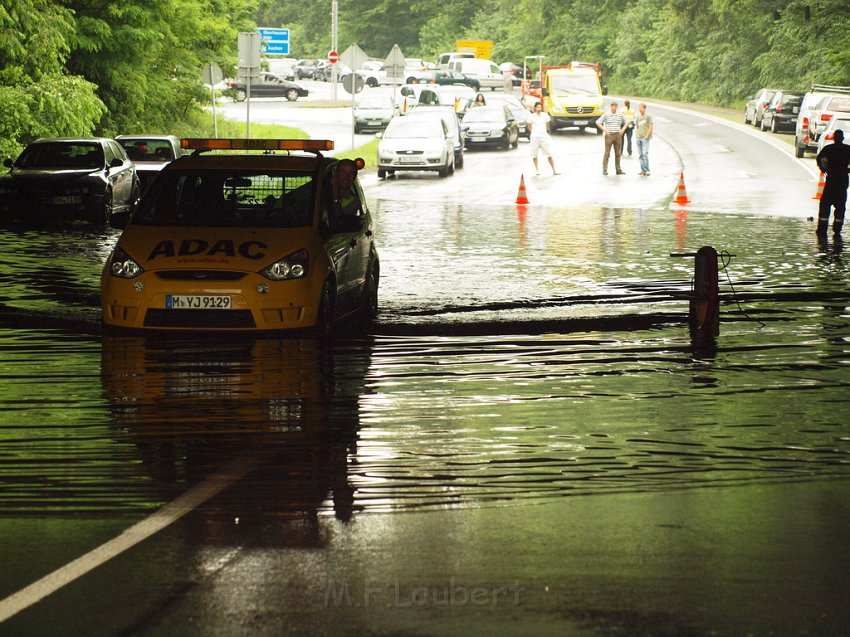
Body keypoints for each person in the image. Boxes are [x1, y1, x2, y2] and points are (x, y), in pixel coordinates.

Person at [815, 128, 850, 235]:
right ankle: (837, 229)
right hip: (843, 180)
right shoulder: (848, 149)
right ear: (843, 138)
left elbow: (819, 159)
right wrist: (847, 170)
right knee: (840, 205)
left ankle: (822, 228)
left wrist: (824, 169)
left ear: (834, 138)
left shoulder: (828, 149)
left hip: (831, 179)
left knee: (825, 203)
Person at [596, 101, 627, 175]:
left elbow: (627, 121)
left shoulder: (620, 115)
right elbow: (597, 122)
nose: (614, 107)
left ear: (617, 107)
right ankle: (605, 169)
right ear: (611, 107)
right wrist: (604, 129)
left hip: (617, 135)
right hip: (609, 135)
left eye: (615, 106)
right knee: (607, 153)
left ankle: (618, 169)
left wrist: (623, 129)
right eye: (613, 106)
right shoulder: (606, 115)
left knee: (618, 153)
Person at [527, 101, 559, 176]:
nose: (539, 108)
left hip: (544, 137)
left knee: (549, 153)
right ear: (535, 108)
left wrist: (545, 132)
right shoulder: (531, 116)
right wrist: (534, 133)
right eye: (538, 107)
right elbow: (529, 127)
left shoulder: (545, 115)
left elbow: (548, 125)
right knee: (534, 154)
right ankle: (536, 170)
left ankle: (554, 170)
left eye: (540, 107)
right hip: (535, 137)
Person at [634, 102, 654, 177]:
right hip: (638, 137)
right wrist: (636, 135)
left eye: (641, 108)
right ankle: (642, 170)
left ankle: (647, 170)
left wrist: (647, 136)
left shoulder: (648, 116)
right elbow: (637, 127)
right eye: (639, 108)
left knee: (645, 154)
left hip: (645, 138)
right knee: (640, 154)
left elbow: (651, 126)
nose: (640, 110)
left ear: (645, 108)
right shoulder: (638, 117)